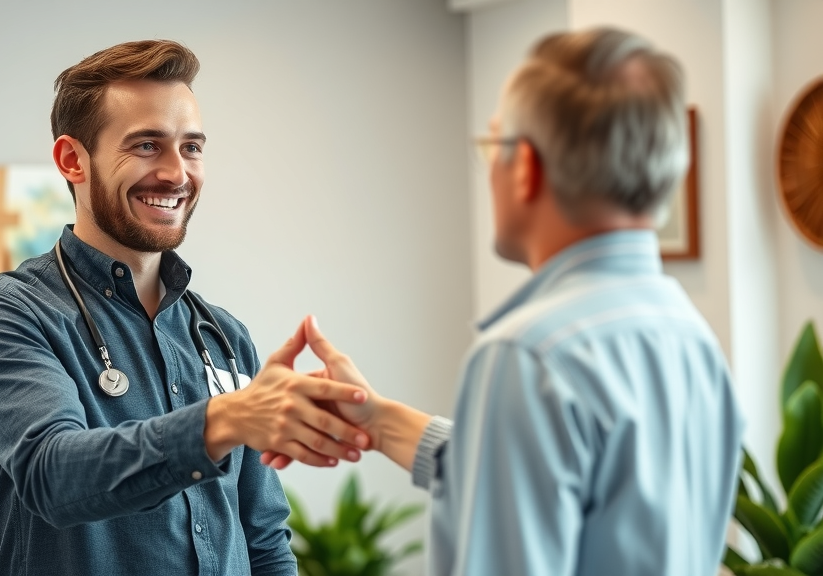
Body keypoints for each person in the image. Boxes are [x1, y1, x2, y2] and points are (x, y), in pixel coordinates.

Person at [263, 27, 745, 576]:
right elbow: (576, 496)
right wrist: (379, 420)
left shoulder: (526, 356)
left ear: (526, 169)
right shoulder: (690, 334)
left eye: (493, 146)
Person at [0, 40, 370, 576]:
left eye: (191, 147)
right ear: (72, 160)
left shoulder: (222, 335)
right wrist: (224, 420)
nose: (177, 173)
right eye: (147, 145)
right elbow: (52, 477)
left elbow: (262, 535)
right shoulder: (8, 314)